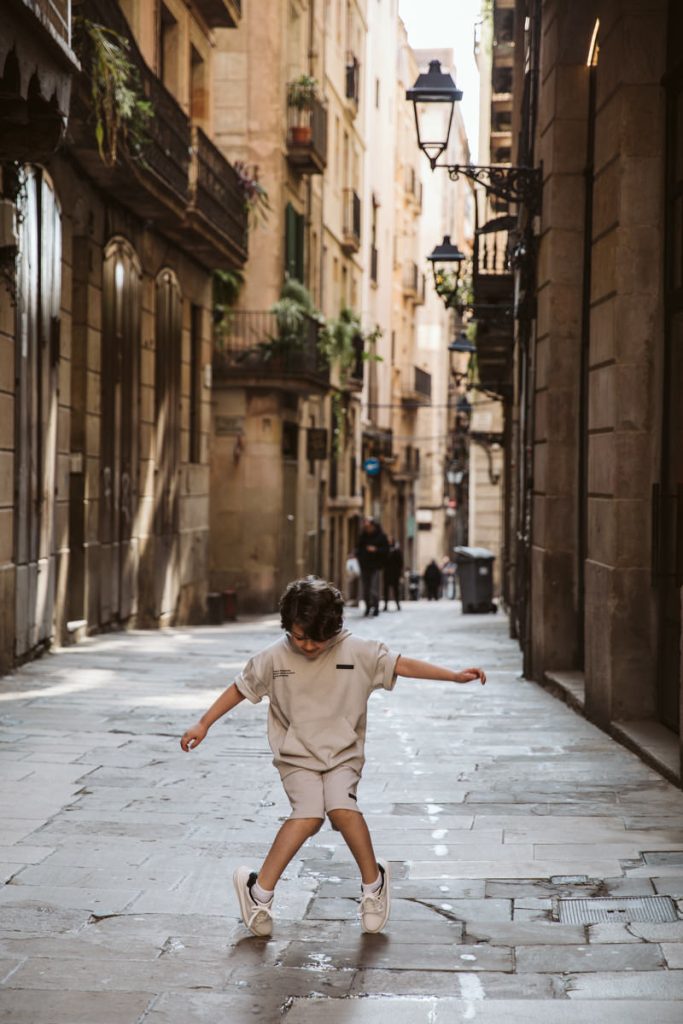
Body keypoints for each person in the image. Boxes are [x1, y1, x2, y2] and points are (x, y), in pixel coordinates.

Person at [180, 576, 486, 938]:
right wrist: (204, 722)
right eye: (299, 636)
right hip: (297, 757)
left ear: (335, 627)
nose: (308, 645)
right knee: (308, 817)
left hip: (343, 755)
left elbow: (402, 664)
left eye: (316, 638)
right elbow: (239, 688)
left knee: (342, 811)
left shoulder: (358, 651)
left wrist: (452, 676)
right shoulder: (273, 657)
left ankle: (374, 886)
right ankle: (258, 893)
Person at [355, 516, 389, 617]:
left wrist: (376, 550)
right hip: (364, 566)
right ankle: (368, 607)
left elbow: (386, 551)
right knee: (365, 589)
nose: (368, 528)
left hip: (375, 567)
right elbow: (358, 549)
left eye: (369, 526)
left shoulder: (381, 537)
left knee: (374, 589)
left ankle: (376, 607)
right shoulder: (363, 537)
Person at [383, 537, 403, 611]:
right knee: (386, 590)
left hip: (395, 573)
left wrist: (399, 573)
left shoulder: (397, 550)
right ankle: (385, 604)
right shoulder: (385, 550)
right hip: (387, 573)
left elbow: (400, 562)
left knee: (396, 589)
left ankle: (397, 603)